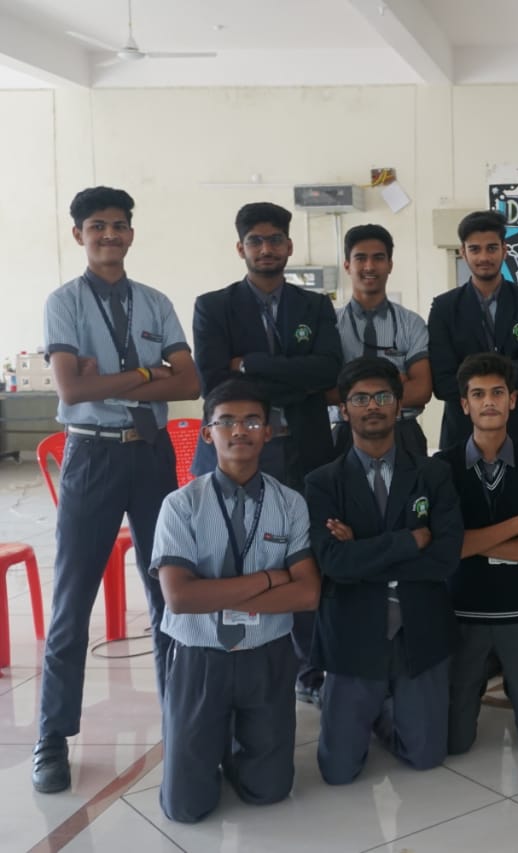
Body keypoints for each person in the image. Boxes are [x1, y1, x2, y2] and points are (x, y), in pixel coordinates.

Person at [33, 186, 200, 795]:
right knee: (72, 600)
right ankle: (52, 736)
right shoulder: (64, 303)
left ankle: (181, 718)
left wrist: (117, 379)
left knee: (168, 593)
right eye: (97, 225)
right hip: (92, 456)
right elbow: (72, 390)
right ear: (79, 234)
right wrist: (152, 374)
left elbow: (190, 380)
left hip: (152, 455)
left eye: (120, 224)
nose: (110, 234)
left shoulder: (154, 302)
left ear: (132, 232)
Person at [192, 201, 343, 706]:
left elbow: (328, 371)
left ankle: (311, 669)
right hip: (240, 454)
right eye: (256, 240)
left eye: (275, 239)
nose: (266, 248)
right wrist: (293, 376)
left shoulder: (315, 307)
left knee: (305, 558)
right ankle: (241, 658)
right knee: (236, 556)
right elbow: (215, 382)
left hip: (305, 451)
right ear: (241, 248)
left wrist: (251, 364)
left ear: (289, 246)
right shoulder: (213, 307)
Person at [150, 379, 320, 822]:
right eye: (226, 422)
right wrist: (269, 579)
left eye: (251, 421)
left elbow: (307, 593)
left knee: (270, 791)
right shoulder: (180, 505)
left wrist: (217, 594)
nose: (239, 430)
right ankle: (213, 741)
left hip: (267, 653)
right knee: (186, 808)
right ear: (208, 434)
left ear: (269, 432)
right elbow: (180, 597)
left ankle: (233, 744)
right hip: (200, 655)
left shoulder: (291, 504)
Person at [305, 357, 463, 782]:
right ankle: (372, 708)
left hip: (419, 627)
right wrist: (409, 541)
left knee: (426, 757)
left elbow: (445, 558)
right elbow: (333, 563)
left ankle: (389, 708)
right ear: (344, 410)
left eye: (382, 396)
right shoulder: (322, 482)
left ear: (398, 405)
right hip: (353, 630)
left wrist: (361, 550)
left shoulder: (433, 474)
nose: (372, 406)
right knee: (338, 771)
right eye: (360, 399)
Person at [440, 353, 518, 755]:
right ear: (464, 404)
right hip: (463, 613)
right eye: (478, 394)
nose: (488, 401)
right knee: (454, 742)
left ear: (513, 400)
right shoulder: (442, 467)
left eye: (497, 392)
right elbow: (445, 548)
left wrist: (470, 543)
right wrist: (514, 526)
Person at [428, 210, 518, 453]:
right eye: (475, 249)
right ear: (463, 252)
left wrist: (472, 382)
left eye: (491, 248)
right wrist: (510, 381)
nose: (484, 257)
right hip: (463, 437)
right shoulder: (444, 308)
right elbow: (443, 383)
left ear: (504, 250)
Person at [332, 224, 432, 458]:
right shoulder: (330, 324)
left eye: (378, 258)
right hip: (346, 433)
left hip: (404, 433)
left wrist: (351, 391)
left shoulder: (411, 323)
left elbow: (421, 390)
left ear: (390, 265)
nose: (369, 266)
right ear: (347, 266)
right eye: (360, 258)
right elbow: (326, 391)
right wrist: (397, 382)